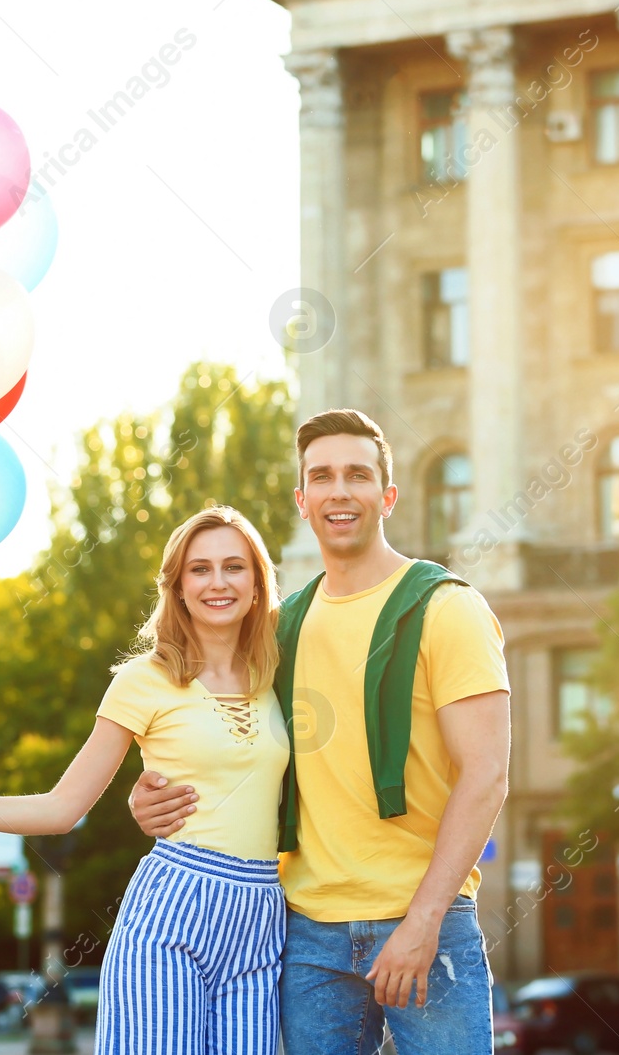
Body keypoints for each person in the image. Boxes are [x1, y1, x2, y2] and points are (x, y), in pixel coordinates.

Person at [129, 408, 511, 1055]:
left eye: (358, 474)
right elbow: (225, 747)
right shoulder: (280, 630)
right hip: (307, 934)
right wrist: (149, 797)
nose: (340, 490)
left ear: (387, 495)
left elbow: (488, 776)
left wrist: (421, 923)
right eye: (322, 476)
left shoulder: (449, 608)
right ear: (302, 499)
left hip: (427, 924)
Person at [0, 505, 293, 1054]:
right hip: (173, 915)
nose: (218, 582)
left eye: (234, 567)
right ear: (178, 586)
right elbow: (61, 808)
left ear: (258, 582)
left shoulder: (278, 676)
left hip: (262, 917)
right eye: (200, 569)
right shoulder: (143, 680)